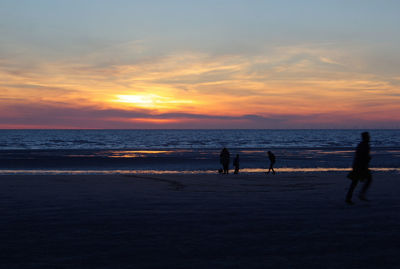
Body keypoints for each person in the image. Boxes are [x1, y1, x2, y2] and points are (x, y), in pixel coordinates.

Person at [345, 132, 372, 204]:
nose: (369, 138)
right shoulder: (364, 145)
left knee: (355, 182)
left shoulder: (362, 145)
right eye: (368, 136)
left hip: (358, 166)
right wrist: (367, 159)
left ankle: (350, 197)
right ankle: (360, 195)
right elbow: (362, 157)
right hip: (360, 167)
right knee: (366, 180)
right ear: (366, 137)